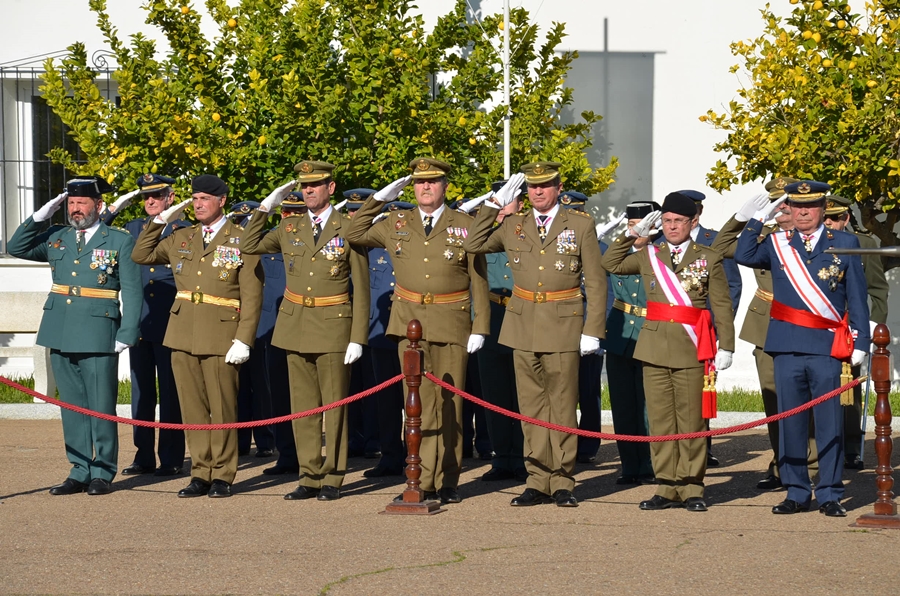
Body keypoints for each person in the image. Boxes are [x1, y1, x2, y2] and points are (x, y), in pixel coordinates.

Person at [345, 157, 490, 505]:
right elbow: (352, 234)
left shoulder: (465, 224)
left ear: (445, 186)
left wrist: (480, 326)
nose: (426, 187)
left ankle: (450, 479)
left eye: (433, 181)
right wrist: (378, 199)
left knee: (451, 403)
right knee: (418, 405)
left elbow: (479, 279)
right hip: (409, 323)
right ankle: (422, 477)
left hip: (452, 321)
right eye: (420, 182)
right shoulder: (396, 222)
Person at [463, 162, 607, 508]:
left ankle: (562, 480)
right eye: (532, 187)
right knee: (531, 409)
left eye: (545, 186)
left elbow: (597, 282)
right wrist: (494, 204)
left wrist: (592, 330)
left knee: (561, 406)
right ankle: (537, 478)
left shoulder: (580, 224)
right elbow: (473, 245)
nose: (538, 192)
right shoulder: (514, 225)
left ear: (559, 187)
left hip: (563, 323)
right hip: (523, 324)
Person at [734, 180, 869, 517]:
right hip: (786, 346)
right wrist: (755, 218)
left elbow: (857, 296)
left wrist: (862, 342)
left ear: (823, 209)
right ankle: (795, 491)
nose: (803, 212)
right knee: (791, 423)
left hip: (826, 347)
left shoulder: (845, 243)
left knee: (829, 423)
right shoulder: (777, 243)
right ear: (788, 209)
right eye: (796, 206)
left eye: (810, 207)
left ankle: (829, 493)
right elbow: (743, 254)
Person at [241, 161, 369, 501]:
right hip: (295, 325)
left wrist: (358, 336)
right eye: (303, 186)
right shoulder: (289, 228)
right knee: (303, 408)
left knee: (335, 406)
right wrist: (266, 206)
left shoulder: (349, 227)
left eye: (316, 185)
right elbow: (248, 244)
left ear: (331, 187)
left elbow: (363, 285)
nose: (308, 190)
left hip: (333, 325)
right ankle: (309, 475)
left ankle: (333, 476)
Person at [8, 176, 142, 495]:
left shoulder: (118, 240)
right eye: (70, 203)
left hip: (99, 330)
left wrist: (127, 332)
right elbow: (16, 247)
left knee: (100, 405)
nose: (75, 209)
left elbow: (134, 292)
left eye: (81, 203)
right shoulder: (58, 237)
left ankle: (102, 471)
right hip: (60, 329)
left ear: (99, 206)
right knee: (71, 406)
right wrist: (40, 216)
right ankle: (79, 469)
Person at [601, 192, 734, 512]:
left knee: (692, 421)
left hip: (691, 346)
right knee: (660, 421)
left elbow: (722, 304)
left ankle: (691, 486)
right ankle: (666, 485)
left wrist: (727, 344)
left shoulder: (708, 257)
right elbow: (610, 263)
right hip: (654, 347)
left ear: (693, 222)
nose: (672, 227)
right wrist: (633, 234)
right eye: (668, 221)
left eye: (679, 221)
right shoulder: (649, 254)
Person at [132, 174, 263, 499]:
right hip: (182, 332)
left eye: (205, 198)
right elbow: (142, 255)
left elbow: (252, 295)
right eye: (195, 198)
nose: (199, 204)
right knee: (191, 409)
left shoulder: (241, 239)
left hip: (222, 332)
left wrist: (244, 338)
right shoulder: (182, 237)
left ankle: (223, 475)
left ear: (221, 200)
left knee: (222, 408)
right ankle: (200, 472)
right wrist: (161, 220)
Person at [710, 177, 819, 490]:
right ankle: (782, 464)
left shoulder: (812, 235)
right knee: (774, 402)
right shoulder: (762, 237)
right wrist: (743, 218)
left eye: (787, 203)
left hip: (805, 323)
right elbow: (717, 250)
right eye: (777, 203)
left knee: (807, 400)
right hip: (767, 327)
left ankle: (809, 466)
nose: (782, 209)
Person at [100, 173, 188, 478]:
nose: (150, 201)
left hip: (171, 322)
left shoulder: (185, 230)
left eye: (157, 195)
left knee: (171, 392)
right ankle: (143, 456)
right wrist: (113, 209)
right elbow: (98, 231)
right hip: (138, 322)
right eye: (145, 197)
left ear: (170, 197)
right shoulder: (132, 229)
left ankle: (172, 457)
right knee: (141, 393)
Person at [821, 194, 887, 470]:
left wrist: (872, 325)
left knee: (849, 389)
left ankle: (850, 447)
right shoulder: (808, 244)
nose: (829, 224)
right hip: (817, 324)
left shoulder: (865, 244)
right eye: (825, 218)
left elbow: (877, 289)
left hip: (849, 326)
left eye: (835, 219)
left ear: (846, 219)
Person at [601, 201, 659, 485]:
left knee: (649, 404)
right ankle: (629, 464)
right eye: (631, 226)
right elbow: (605, 263)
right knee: (623, 403)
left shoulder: (660, 255)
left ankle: (649, 463)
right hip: (620, 334)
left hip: (652, 332)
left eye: (641, 225)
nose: (635, 231)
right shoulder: (620, 252)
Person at [474, 180, 527, 483]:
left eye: (509, 200)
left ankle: (522, 456)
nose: (503, 206)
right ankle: (501, 457)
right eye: (498, 200)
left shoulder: (530, 233)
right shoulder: (486, 233)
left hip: (521, 319)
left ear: (520, 204)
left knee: (523, 396)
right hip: (491, 320)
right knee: (494, 395)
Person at [363, 199, 416, 479]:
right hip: (381, 333)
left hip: (412, 333)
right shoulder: (371, 252)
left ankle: (416, 455)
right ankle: (390, 456)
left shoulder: (414, 249)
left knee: (417, 400)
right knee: (386, 402)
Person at [260, 192, 306, 476]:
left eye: (295, 212)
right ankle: (287, 454)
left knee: (310, 396)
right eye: (285, 212)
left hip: (306, 326)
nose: (289, 217)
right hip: (272, 330)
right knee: (279, 396)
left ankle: (311, 456)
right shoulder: (270, 242)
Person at [228, 201, 277, 459]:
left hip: (263, 322)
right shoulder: (230, 248)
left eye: (247, 223)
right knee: (237, 384)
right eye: (239, 222)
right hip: (234, 320)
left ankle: (266, 437)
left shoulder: (268, 244)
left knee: (262, 385)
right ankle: (240, 439)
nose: (243, 227)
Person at [558, 190, 604, 465]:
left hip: (587, 324)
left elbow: (605, 293)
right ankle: (564, 443)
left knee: (588, 391)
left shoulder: (601, 247)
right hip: (561, 325)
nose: (573, 217)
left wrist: (597, 331)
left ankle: (587, 445)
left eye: (577, 212)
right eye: (569, 213)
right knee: (562, 391)